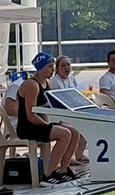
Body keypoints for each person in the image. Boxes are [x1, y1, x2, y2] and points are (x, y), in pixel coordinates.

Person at [14, 53, 84, 184]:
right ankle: (49, 173)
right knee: (65, 134)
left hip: (39, 123)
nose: (53, 70)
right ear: (40, 68)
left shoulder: (48, 83)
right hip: (28, 126)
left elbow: (49, 108)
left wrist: (54, 123)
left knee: (75, 132)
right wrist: (47, 125)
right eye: (50, 67)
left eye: (53, 67)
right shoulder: (31, 85)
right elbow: (31, 114)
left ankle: (63, 170)